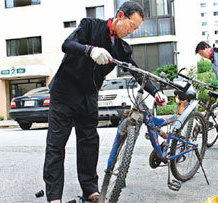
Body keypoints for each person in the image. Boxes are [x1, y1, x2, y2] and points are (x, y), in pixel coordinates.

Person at [43, 2, 167, 203]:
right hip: (64, 92)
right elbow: (66, 44)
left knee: (89, 142)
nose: (130, 32)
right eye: (130, 26)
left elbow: (135, 70)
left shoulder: (120, 47)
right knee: (56, 145)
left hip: (89, 95)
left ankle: (90, 190)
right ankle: (54, 197)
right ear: (120, 15)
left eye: (135, 29)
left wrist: (155, 92)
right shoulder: (90, 25)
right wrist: (90, 50)